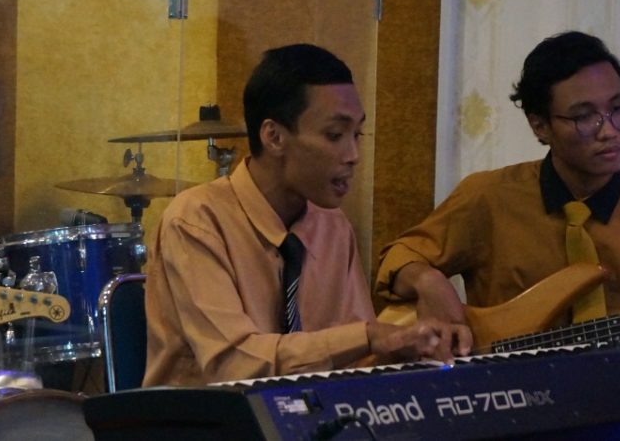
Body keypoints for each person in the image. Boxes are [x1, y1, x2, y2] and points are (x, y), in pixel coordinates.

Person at [143, 44, 469, 387]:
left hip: (305, 413)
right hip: (207, 415)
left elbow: (355, 361)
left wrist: (412, 347)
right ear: (274, 137)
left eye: (357, 134)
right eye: (335, 135)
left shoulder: (333, 226)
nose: (354, 155)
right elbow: (232, 366)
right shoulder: (196, 220)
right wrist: (369, 336)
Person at [376, 31, 620, 332]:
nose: (609, 131)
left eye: (618, 109)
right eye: (583, 116)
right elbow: (398, 258)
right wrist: (427, 280)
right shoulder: (489, 197)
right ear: (539, 126)